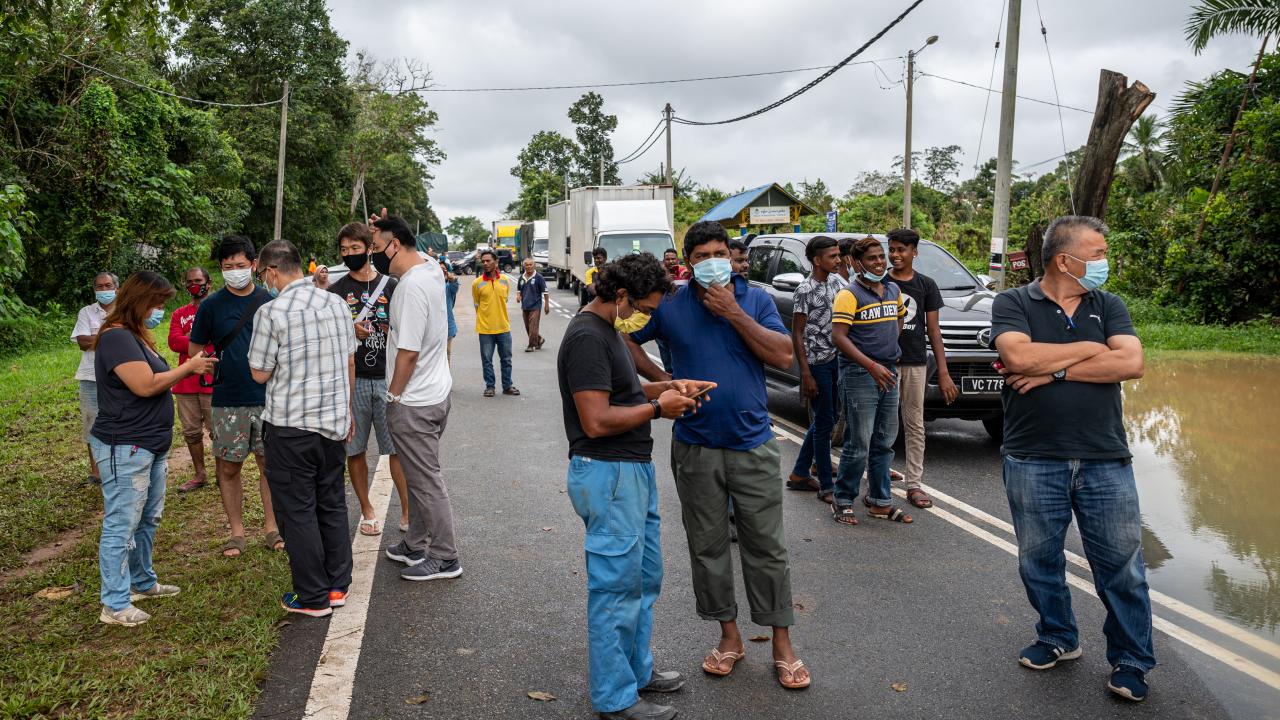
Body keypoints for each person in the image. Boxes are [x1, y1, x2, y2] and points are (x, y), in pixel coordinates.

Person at [626, 221, 811, 691]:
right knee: (707, 548)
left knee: (767, 549)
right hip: (696, 445)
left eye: (721, 252)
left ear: (731, 255)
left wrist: (732, 313)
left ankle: (783, 646)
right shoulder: (671, 302)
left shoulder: (757, 300)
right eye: (704, 253)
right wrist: (665, 380)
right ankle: (729, 638)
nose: (714, 259)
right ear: (689, 261)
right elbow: (623, 338)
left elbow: (784, 356)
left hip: (753, 444)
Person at [991, 216, 1153, 702]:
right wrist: (1088, 348)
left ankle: (1131, 660)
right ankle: (1058, 637)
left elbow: (1131, 363)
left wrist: (1055, 372)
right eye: (1098, 254)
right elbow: (1018, 359)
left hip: (1105, 457)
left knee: (1122, 568)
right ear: (1066, 259)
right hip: (1032, 456)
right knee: (1039, 561)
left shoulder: (1109, 304)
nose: (1105, 262)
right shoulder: (1013, 302)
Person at [559, 253, 710, 720]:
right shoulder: (587, 336)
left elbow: (620, 393)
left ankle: (636, 672)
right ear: (620, 294)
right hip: (608, 472)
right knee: (615, 588)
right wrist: (659, 409)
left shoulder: (610, 331)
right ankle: (614, 698)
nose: (645, 316)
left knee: (643, 579)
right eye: (642, 307)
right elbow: (597, 419)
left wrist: (670, 387)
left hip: (631, 471)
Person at [92, 271, 217, 626]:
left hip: (149, 444)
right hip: (125, 445)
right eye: (157, 302)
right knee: (121, 524)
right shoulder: (116, 338)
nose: (160, 309)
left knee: (147, 519)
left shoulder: (134, 336)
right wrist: (190, 367)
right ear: (139, 299)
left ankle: (141, 582)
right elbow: (145, 385)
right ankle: (115, 604)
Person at [249, 239, 357, 618]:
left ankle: (311, 596)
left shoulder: (271, 312)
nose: (263, 280)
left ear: (273, 271)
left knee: (297, 510)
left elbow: (259, 372)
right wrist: (346, 409)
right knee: (331, 502)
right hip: (333, 422)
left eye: (262, 273)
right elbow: (349, 362)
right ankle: (336, 587)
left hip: (290, 427)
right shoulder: (337, 304)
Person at [370, 215, 464, 582]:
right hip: (436, 393)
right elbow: (416, 250)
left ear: (395, 245)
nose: (374, 256)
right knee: (417, 472)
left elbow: (407, 353)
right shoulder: (431, 270)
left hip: (415, 400)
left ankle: (445, 557)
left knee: (424, 480)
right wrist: (386, 222)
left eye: (377, 248)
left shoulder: (409, 289)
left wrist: (393, 396)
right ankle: (416, 543)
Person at [189, 235, 283, 557]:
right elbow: (195, 353)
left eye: (241, 265)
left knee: (269, 465)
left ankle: (273, 528)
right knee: (228, 467)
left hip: (269, 397)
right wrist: (212, 368)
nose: (235, 271)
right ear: (220, 269)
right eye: (228, 267)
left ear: (254, 265)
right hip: (228, 400)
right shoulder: (211, 306)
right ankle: (237, 533)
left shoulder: (271, 300)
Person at [329, 223, 411, 536]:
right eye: (344, 250)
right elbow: (328, 335)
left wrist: (392, 331)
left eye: (355, 248)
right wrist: (349, 330)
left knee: (396, 450)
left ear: (369, 248)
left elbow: (408, 329)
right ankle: (367, 509)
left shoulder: (392, 286)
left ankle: (407, 512)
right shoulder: (336, 291)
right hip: (355, 381)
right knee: (356, 449)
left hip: (389, 379)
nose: (349, 254)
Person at [831, 236, 912, 525]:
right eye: (872, 259)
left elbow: (898, 321)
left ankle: (880, 500)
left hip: (888, 372)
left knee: (884, 441)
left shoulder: (892, 289)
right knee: (859, 442)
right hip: (859, 374)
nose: (879, 262)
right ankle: (842, 499)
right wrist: (871, 364)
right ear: (856, 263)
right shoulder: (848, 294)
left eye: (881, 257)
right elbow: (838, 337)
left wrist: (886, 354)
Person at [887, 228, 958, 509]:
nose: (895, 255)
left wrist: (943, 372)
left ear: (914, 252)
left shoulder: (926, 285)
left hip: (915, 362)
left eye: (901, 250)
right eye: (892, 249)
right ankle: (878, 475)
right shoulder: (880, 283)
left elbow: (934, 330)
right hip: (885, 364)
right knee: (884, 425)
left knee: (914, 424)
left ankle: (914, 484)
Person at [788, 236, 845, 502]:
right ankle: (826, 485)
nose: (838, 260)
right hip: (817, 363)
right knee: (823, 425)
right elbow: (797, 333)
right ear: (816, 260)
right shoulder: (805, 289)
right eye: (832, 256)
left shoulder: (838, 282)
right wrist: (806, 373)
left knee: (829, 418)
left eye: (838, 255)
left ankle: (800, 472)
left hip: (837, 360)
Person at [168, 267, 215, 492]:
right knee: (191, 431)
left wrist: (190, 338)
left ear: (209, 283)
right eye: (190, 281)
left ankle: (223, 474)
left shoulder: (218, 308)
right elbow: (174, 342)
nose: (194, 285)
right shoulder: (179, 313)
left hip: (212, 380)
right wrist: (201, 339)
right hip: (185, 381)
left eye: (198, 280)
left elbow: (219, 340)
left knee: (218, 431)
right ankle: (200, 474)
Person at [73, 271, 118, 485]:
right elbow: (82, 342)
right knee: (92, 422)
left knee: (120, 418)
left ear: (116, 288)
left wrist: (98, 338)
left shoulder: (125, 311)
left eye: (107, 285)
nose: (103, 290)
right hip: (90, 376)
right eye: (99, 287)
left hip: (120, 374)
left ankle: (118, 465)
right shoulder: (87, 312)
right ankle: (96, 471)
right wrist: (112, 336)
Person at [472, 249, 519, 397]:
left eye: (488, 261)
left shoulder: (505, 280)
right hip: (485, 329)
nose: (485, 263)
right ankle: (490, 386)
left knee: (506, 359)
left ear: (496, 262)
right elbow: (477, 305)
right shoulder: (477, 283)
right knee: (487, 360)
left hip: (503, 327)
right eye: (483, 261)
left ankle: (507, 386)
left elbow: (503, 300)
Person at [517, 257, 549, 351]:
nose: (529, 266)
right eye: (527, 265)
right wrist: (518, 296)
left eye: (531, 264)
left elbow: (545, 292)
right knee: (528, 327)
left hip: (535, 306)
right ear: (524, 266)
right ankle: (539, 339)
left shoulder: (539, 277)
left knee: (533, 326)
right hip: (525, 306)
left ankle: (531, 345)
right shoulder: (521, 278)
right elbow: (519, 290)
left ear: (534, 265)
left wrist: (547, 305)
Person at [441, 258, 459, 364]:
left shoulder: (448, 287)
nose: (441, 271)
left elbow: (455, 286)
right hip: (432, 328)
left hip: (448, 327)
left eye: (443, 269)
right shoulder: (429, 286)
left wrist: (452, 279)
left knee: (446, 354)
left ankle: (446, 379)